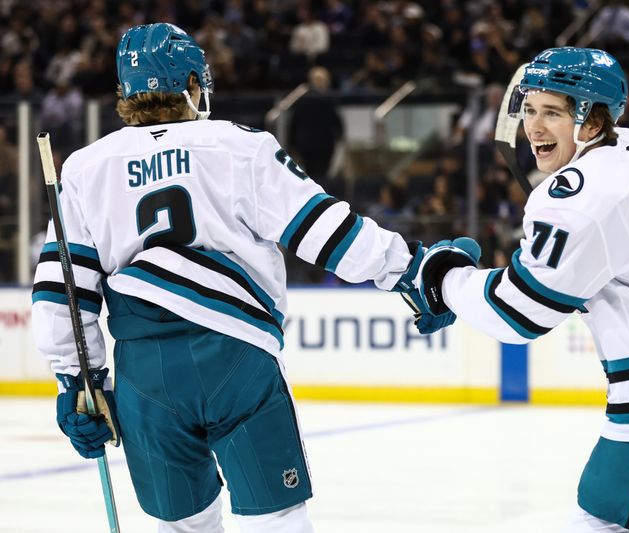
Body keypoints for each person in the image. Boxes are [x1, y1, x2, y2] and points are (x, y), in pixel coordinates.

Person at [31, 22, 451, 533]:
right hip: (236, 355)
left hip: (147, 373)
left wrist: (77, 380)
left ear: (125, 92)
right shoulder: (238, 145)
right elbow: (326, 231)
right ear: (192, 85)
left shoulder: (83, 167)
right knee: (278, 519)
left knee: (183, 526)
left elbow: (63, 289)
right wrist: (412, 269)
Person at [409, 47, 629, 532]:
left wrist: (445, 279)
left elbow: (517, 315)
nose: (534, 126)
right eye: (530, 109)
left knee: (601, 522)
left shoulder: (579, 195)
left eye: (552, 112)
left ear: (593, 122)